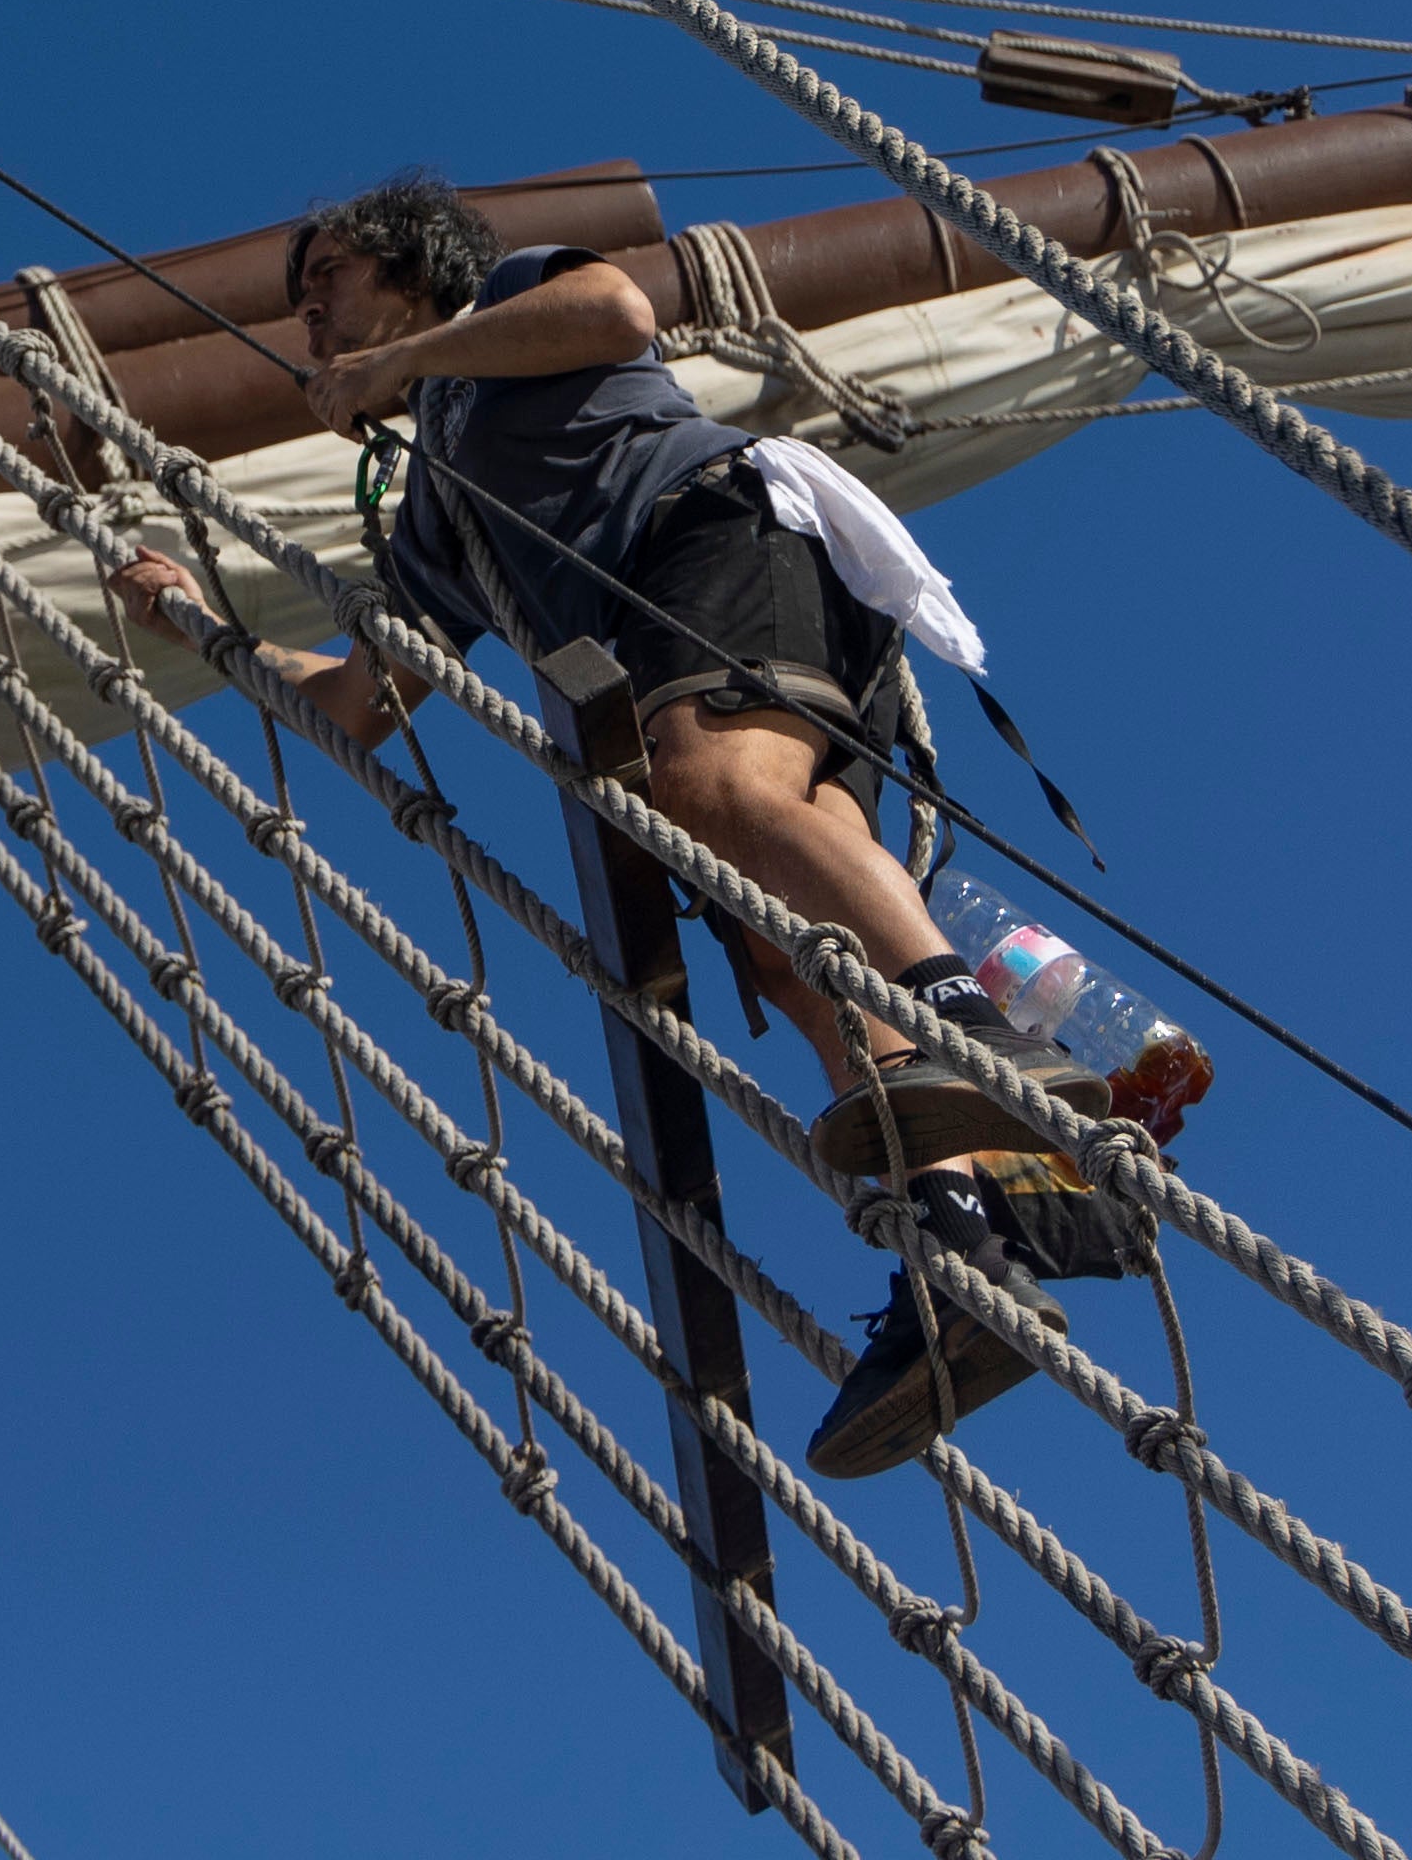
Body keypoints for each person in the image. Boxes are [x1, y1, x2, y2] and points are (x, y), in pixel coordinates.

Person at [107, 172, 1112, 1480]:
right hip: (695, 623)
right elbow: (360, 705)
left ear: (411, 275)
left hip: (723, 538)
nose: (311, 323)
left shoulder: (512, 304)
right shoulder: (430, 522)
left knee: (707, 789)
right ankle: (966, 1249)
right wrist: (205, 626)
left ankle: (976, 1040)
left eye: (330, 289)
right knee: (782, 950)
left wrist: (404, 363)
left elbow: (614, 310)